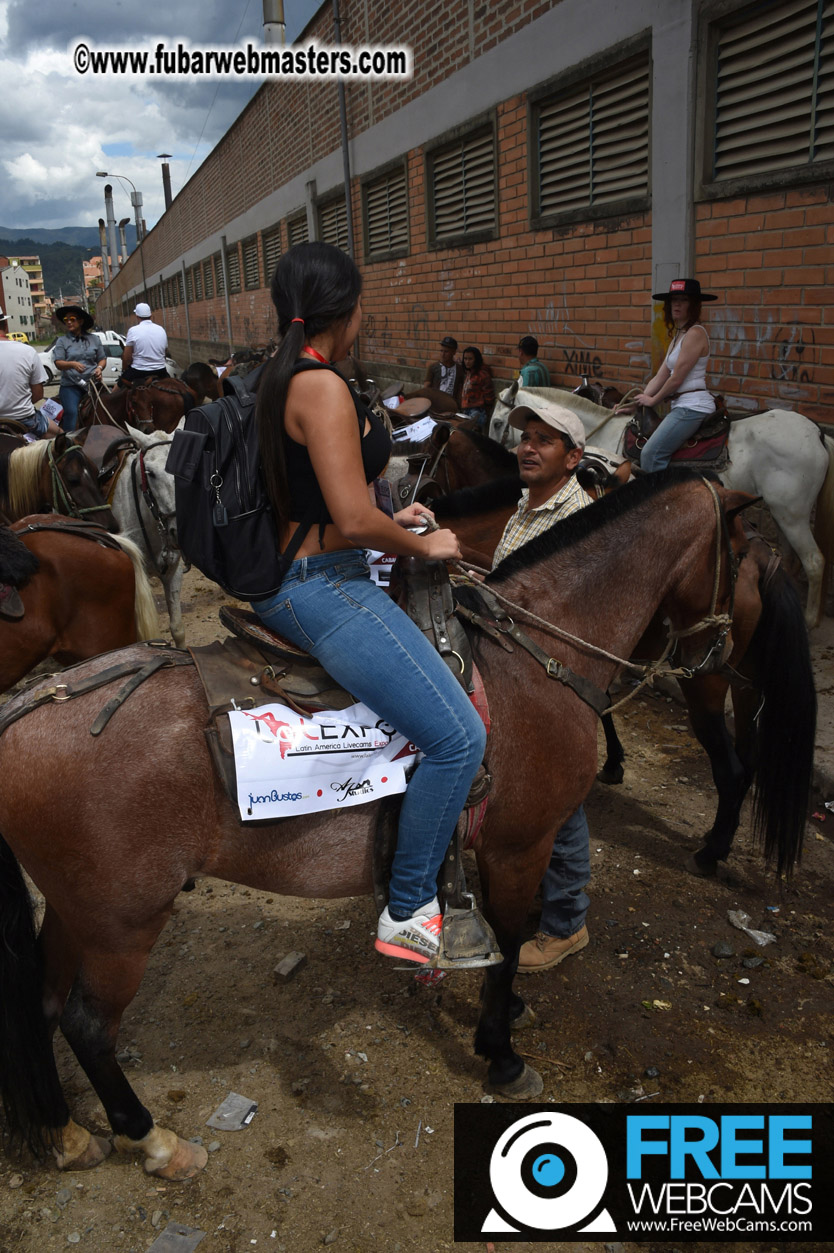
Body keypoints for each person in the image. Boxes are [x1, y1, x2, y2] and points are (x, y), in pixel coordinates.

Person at [249, 242, 489, 967]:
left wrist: (399, 520)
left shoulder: (284, 374)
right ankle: (411, 904)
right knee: (459, 737)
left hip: (320, 563)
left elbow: (335, 501)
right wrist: (428, 547)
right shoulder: (319, 385)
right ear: (347, 309)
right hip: (323, 582)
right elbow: (353, 518)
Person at [490, 398, 594, 972]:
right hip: (517, 669)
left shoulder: (578, 522)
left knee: (563, 805)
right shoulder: (528, 508)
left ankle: (565, 925)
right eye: (525, 437)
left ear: (573, 457)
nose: (528, 447)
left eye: (544, 440)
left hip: (550, 679)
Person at [633, 278, 718, 473]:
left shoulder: (695, 333)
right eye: (673, 300)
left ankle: (658, 502)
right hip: (682, 405)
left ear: (694, 305)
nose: (677, 304)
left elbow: (676, 379)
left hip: (693, 407)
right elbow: (660, 376)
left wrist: (653, 400)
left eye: (684, 300)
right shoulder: (678, 336)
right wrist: (634, 404)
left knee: (650, 454)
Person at [0, 311, 61, 437]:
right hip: (25, 420)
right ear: (5, 325)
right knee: (61, 437)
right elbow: (38, 395)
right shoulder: (27, 351)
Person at [52, 305, 105, 432]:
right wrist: (72, 364)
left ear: (81, 321)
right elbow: (58, 362)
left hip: (93, 383)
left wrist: (99, 368)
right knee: (71, 412)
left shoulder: (95, 339)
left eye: (72, 319)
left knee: (107, 407)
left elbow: (102, 359)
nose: (69, 322)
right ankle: (69, 442)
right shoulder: (62, 341)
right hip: (71, 385)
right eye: (66, 319)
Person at [402, 335, 464, 413]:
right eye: (441, 351)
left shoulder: (459, 369)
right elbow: (426, 388)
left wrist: (458, 406)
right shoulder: (433, 367)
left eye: (446, 351)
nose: (443, 354)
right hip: (435, 404)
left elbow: (460, 390)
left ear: (454, 352)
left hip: (451, 405)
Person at [121, 302, 169, 385]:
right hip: (161, 371)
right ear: (150, 315)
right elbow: (165, 353)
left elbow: (127, 357)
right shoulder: (161, 329)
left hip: (139, 371)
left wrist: (124, 368)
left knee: (117, 389)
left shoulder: (133, 330)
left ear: (137, 316)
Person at [459, 346, 495, 430]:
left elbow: (489, 397)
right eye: (465, 359)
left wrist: (484, 409)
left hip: (477, 412)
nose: (467, 362)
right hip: (466, 410)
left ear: (476, 359)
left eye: (470, 359)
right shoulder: (468, 373)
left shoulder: (482, 375)